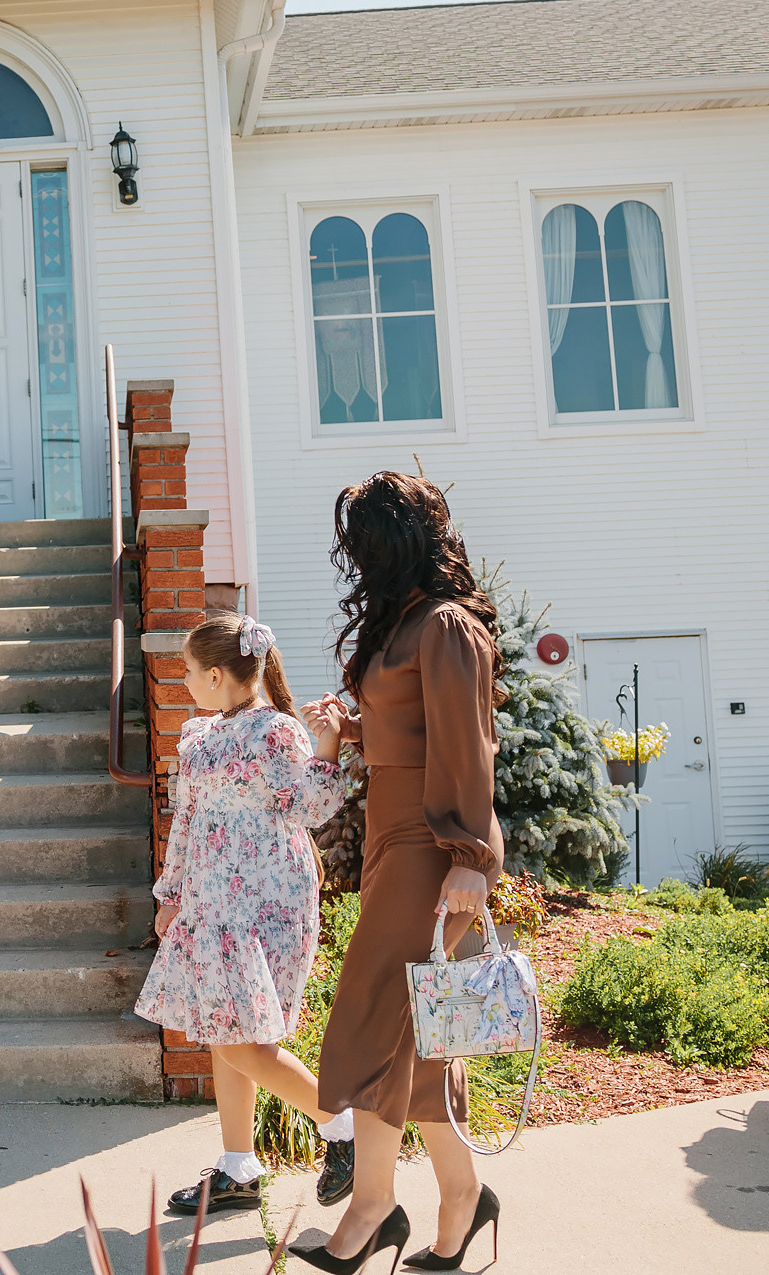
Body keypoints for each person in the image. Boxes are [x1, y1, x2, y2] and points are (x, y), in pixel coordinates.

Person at [296, 472, 505, 1275]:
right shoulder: (406, 622)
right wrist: (351, 726)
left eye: (371, 543)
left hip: (433, 841)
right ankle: (462, 1196)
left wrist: (469, 861)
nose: (361, 559)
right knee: (413, 1030)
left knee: (379, 1015)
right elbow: (410, 727)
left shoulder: (448, 624)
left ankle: (373, 1205)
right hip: (396, 834)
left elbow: (466, 745)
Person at [137, 611, 360, 1219]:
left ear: (216, 674)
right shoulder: (202, 736)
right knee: (223, 1030)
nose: (183, 680)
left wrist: (329, 745)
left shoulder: (275, 733)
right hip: (211, 905)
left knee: (243, 1038)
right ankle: (239, 1167)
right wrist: (172, 893)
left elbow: (311, 807)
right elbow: (186, 820)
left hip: (265, 906)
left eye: (188, 670)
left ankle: (341, 1126)